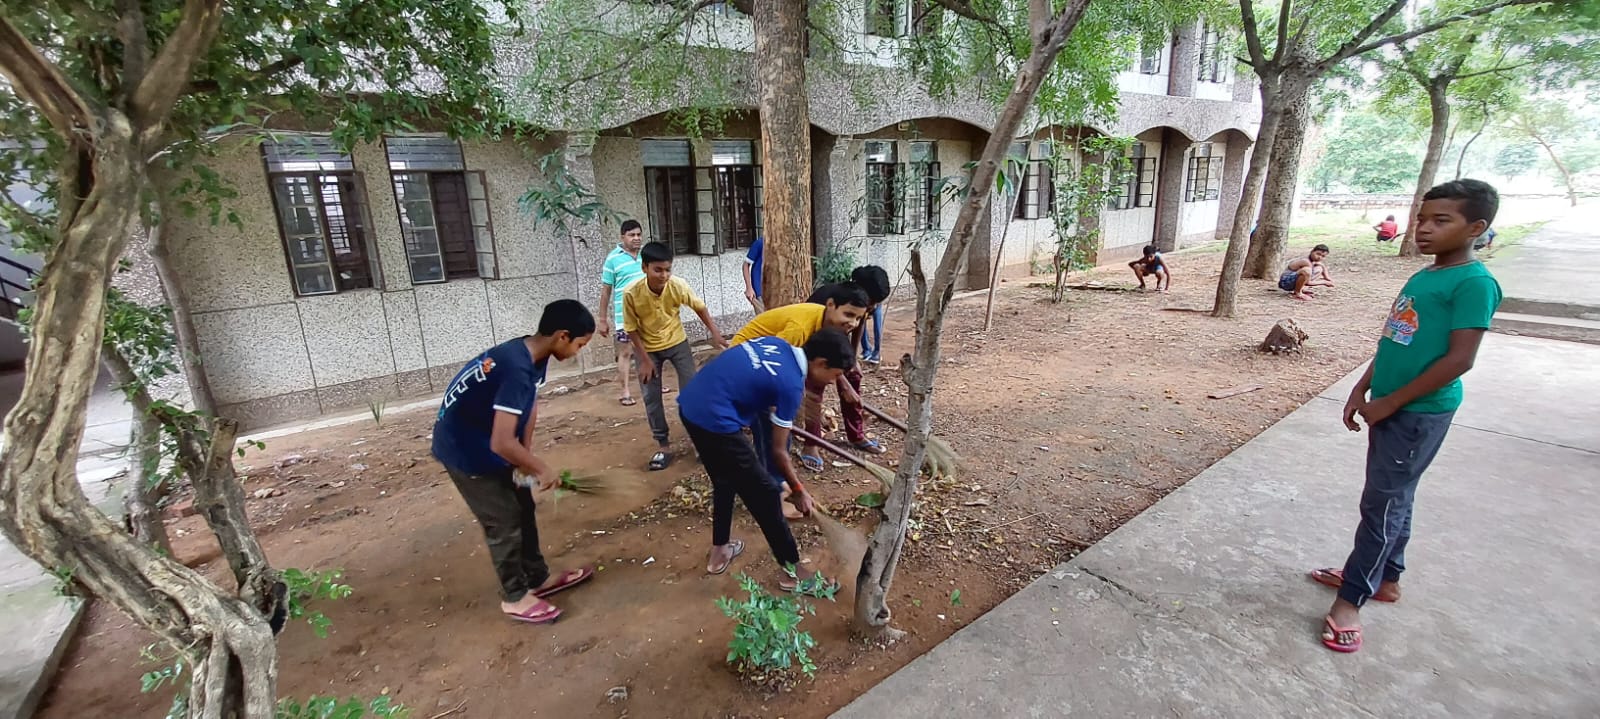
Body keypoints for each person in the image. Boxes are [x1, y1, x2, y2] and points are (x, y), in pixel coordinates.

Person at [1311, 179, 1503, 653]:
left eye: (1442, 221)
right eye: (1422, 218)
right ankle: (1385, 577)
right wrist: (1361, 386)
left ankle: (1352, 598)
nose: (1425, 229)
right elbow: (1396, 339)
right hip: (1390, 406)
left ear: (1476, 227)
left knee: (1383, 504)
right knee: (1395, 497)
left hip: (1417, 414)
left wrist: (1392, 403)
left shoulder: (1474, 283)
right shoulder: (1423, 277)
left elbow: (1460, 359)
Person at [431, 299, 598, 625]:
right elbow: (500, 442)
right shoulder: (516, 368)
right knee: (503, 520)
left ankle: (537, 579)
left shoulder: (532, 353)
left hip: (488, 438)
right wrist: (540, 468)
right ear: (562, 336)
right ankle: (515, 597)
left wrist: (526, 453)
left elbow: (529, 405)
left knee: (523, 507)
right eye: (580, 344)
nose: (579, 351)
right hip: (465, 449)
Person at [677, 328, 855, 590]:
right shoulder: (792, 384)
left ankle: (720, 550)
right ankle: (794, 573)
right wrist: (797, 489)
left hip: (690, 407)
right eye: (835, 375)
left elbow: (756, 387)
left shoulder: (776, 344)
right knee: (766, 494)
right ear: (820, 363)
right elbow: (778, 451)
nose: (832, 381)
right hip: (715, 421)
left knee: (725, 481)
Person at [623, 241, 730, 471]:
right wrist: (643, 359)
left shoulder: (677, 285)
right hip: (648, 348)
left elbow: (699, 307)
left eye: (668, 269)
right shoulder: (631, 293)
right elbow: (630, 328)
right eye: (658, 270)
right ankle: (663, 446)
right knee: (651, 397)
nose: (664, 275)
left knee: (692, 393)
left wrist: (715, 333)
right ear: (644, 268)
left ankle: (699, 442)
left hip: (677, 343)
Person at [802, 267, 893, 472]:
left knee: (854, 375)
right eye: (872, 303)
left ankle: (856, 435)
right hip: (813, 345)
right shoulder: (830, 301)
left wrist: (852, 359)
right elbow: (824, 350)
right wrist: (842, 382)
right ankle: (811, 444)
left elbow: (858, 325)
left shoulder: (864, 302)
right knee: (815, 390)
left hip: (836, 342)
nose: (873, 307)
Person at [598, 220, 646, 406]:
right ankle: (625, 391)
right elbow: (606, 291)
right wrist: (602, 319)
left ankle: (652, 384)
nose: (636, 238)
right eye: (631, 235)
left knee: (651, 351)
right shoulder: (613, 259)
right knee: (625, 352)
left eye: (638, 234)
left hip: (648, 314)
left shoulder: (646, 256)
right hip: (624, 315)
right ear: (622, 237)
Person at [742, 236, 765, 313]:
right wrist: (749, 288)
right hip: (760, 290)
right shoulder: (760, 243)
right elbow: (745, 265)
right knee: (763, 320)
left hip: (776, 291)